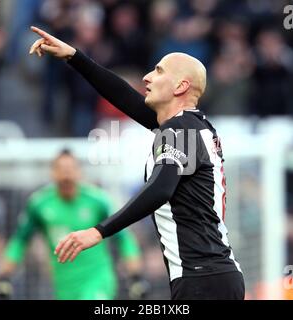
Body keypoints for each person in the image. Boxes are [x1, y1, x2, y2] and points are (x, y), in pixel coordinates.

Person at [29, 26, 245, 300]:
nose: (146, 77)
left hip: (203, 278)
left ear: (181, 86)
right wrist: (74, 56)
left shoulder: (181, 131)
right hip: (209, 276)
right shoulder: (191, 127)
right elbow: (124, 97)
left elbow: (160, 189)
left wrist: (98, 231)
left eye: (159, 71)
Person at [0, 149, 148, 300]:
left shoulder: (98, 200)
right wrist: (5, 276)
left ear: (79, 172)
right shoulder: (40, 204)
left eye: (70, 169)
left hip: (98, 281)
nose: (66, 175)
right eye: (61, 170)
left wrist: (135, 275)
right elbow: (20, 240)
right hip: (64, 287)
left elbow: (124, 237)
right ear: (53, 173)